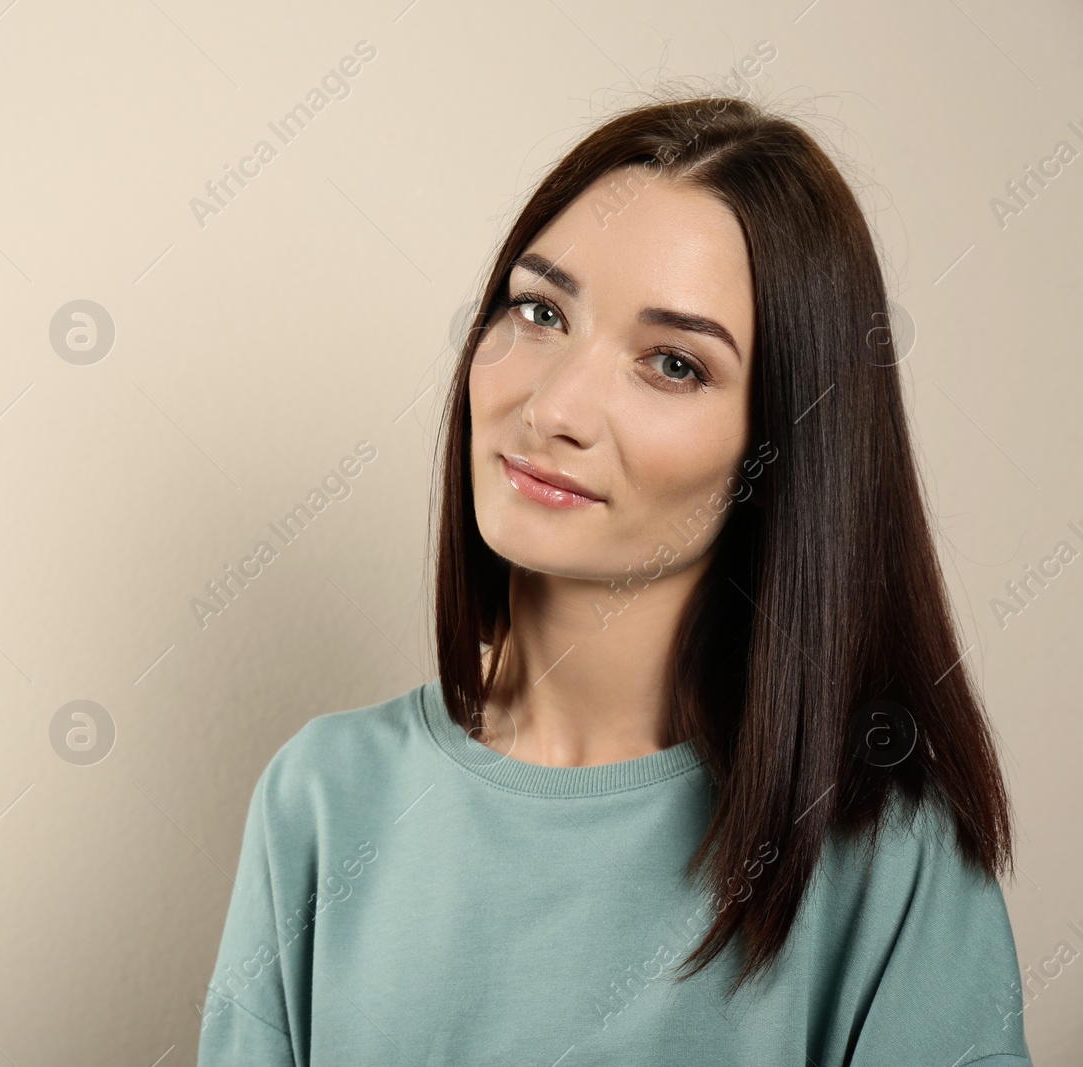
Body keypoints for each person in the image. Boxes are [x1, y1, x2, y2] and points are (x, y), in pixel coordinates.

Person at [195, 92, 1032, 1066]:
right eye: (540, 309)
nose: (554, 405)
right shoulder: (321, 797)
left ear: (779, 444)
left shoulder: (887, 852)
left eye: (672, 363)